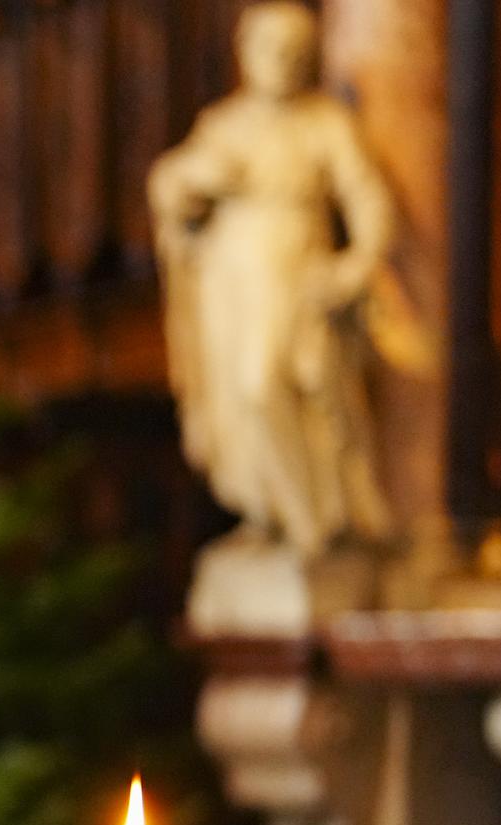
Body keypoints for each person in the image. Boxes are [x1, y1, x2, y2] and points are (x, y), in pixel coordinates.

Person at [148, 0, 396, 556]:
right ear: (245, 53)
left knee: (265, 385)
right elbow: (170, 187)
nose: (281, 61)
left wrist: (355, 265)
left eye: (294, 52)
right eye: (269, 48)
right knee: (234, 399)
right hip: (227, 282)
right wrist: (188, 185)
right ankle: (269, 511)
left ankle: (312, 520)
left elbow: (369, 201)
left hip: (291, 267)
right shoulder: (223, 125)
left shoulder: (325, 123)